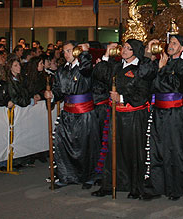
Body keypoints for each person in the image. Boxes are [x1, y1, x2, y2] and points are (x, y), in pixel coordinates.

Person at [92, 39, 157, 198]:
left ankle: (135, 187)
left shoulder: (141, 68)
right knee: (113, 149)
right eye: (123, 48)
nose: (124, 51)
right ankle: (110, 184)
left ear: (135, 51)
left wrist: (121, 98)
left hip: (133, 116)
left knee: (133, 152)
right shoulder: (117, 66)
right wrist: (106, 54)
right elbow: (101, 75)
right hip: (116, 115)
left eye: (128, 48)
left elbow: (142, 94)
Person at [143, 35, 183, 201]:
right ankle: (157, 186)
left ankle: (176, 187)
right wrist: (148, 54)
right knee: (157, 148)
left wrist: (161, 70)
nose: (170, 45)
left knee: (177, 149)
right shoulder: (161, 61)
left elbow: (172, 85)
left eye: (175, 43)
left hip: (176, 113)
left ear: (182, 48)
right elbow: (146, 80)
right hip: (158, 112)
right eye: (170, 42)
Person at [47, 42, 98, 187]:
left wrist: (85, 53)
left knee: (85, 145)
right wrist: (52, 95)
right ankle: (66, 176)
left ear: (76, 51)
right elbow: (58, 90)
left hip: (84, 113)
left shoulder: (84, 69)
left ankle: (88, 177)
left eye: (69, 51)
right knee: (64, 144)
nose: (66, 54)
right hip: (67, 113)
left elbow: (87, 68)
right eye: (64, 52)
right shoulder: (61, 71)